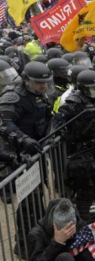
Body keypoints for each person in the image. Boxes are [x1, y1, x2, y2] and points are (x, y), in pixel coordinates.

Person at [0, 62, 52, 258]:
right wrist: (23, 139)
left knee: (36, 199)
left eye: (45, 82)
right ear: (27, 80)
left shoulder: (39, 93)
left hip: (36, 151)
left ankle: (35, 237)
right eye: (39, 82)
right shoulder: (13, 96)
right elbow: (5, 124)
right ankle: (23, 244)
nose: (43, 86)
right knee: (28, 201)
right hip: (20, 155)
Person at [54, 70, 95, 220]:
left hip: (94, 147)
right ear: (84, 88)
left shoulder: (94, 99)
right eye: (94, 87)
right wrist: (61, 131)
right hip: (80, 151)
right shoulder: (74, 102)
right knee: (85, 188)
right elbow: (59, 121)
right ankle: (84, 221)